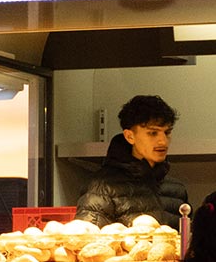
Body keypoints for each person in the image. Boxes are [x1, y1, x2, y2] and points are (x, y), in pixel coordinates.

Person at [73, 94, 189, 228]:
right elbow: (90, 243)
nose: (163, 141)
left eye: (167, 132)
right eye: (153, 133)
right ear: (130, 136)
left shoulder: (176, 189)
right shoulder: (102, 188)